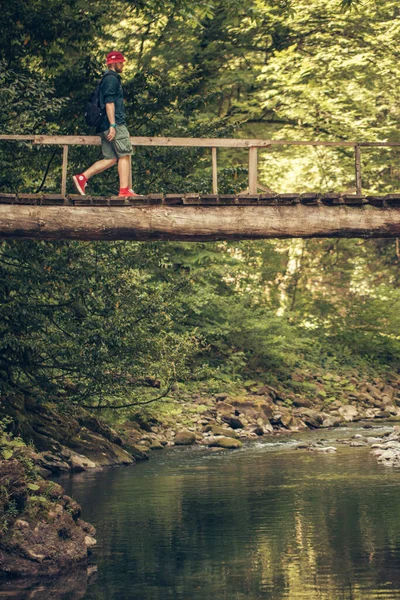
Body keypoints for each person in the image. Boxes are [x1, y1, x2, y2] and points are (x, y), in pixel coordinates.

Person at [73, 51, 138, 198]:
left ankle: (82, 178)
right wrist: (113, 125)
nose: (123, 65)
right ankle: (124, 190)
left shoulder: (106, 78)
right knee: (125, 154)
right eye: (121, 62)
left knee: (111, 158)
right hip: (114, 124)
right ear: (114, 63)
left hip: (103, 125)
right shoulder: (112, 79)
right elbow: (109, 102)